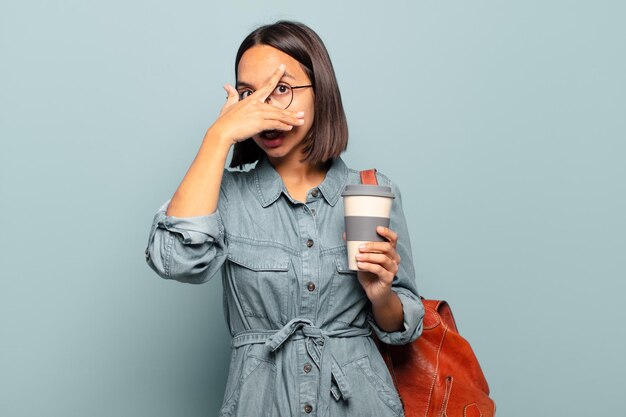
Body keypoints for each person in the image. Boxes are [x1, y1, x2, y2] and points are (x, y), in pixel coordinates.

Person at [145, 20, 425, 417]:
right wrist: (218, 137)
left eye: (282, 89)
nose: (265, 107)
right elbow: (174, 260)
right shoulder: (224, 194)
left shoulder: (370, 191)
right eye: (249, 93)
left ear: (320, 92)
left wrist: (381, 296)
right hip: (259, 403)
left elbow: (404, 328)